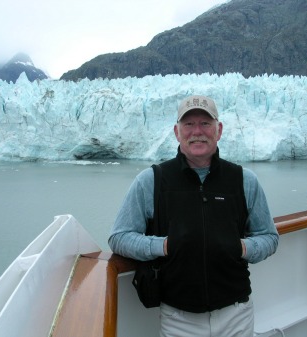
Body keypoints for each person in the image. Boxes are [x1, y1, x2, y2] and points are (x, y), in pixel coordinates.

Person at [108, 95, 279, 337]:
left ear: (218, 130)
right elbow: (119, 237)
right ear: (177, 132)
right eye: (188, 124)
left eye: (205, 123)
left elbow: (269, 237)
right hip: (179, 318)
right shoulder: (152, 181)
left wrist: (241, 247)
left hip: (236, 313)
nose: (197, 131)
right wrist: (164, 245)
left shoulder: (244, 180)